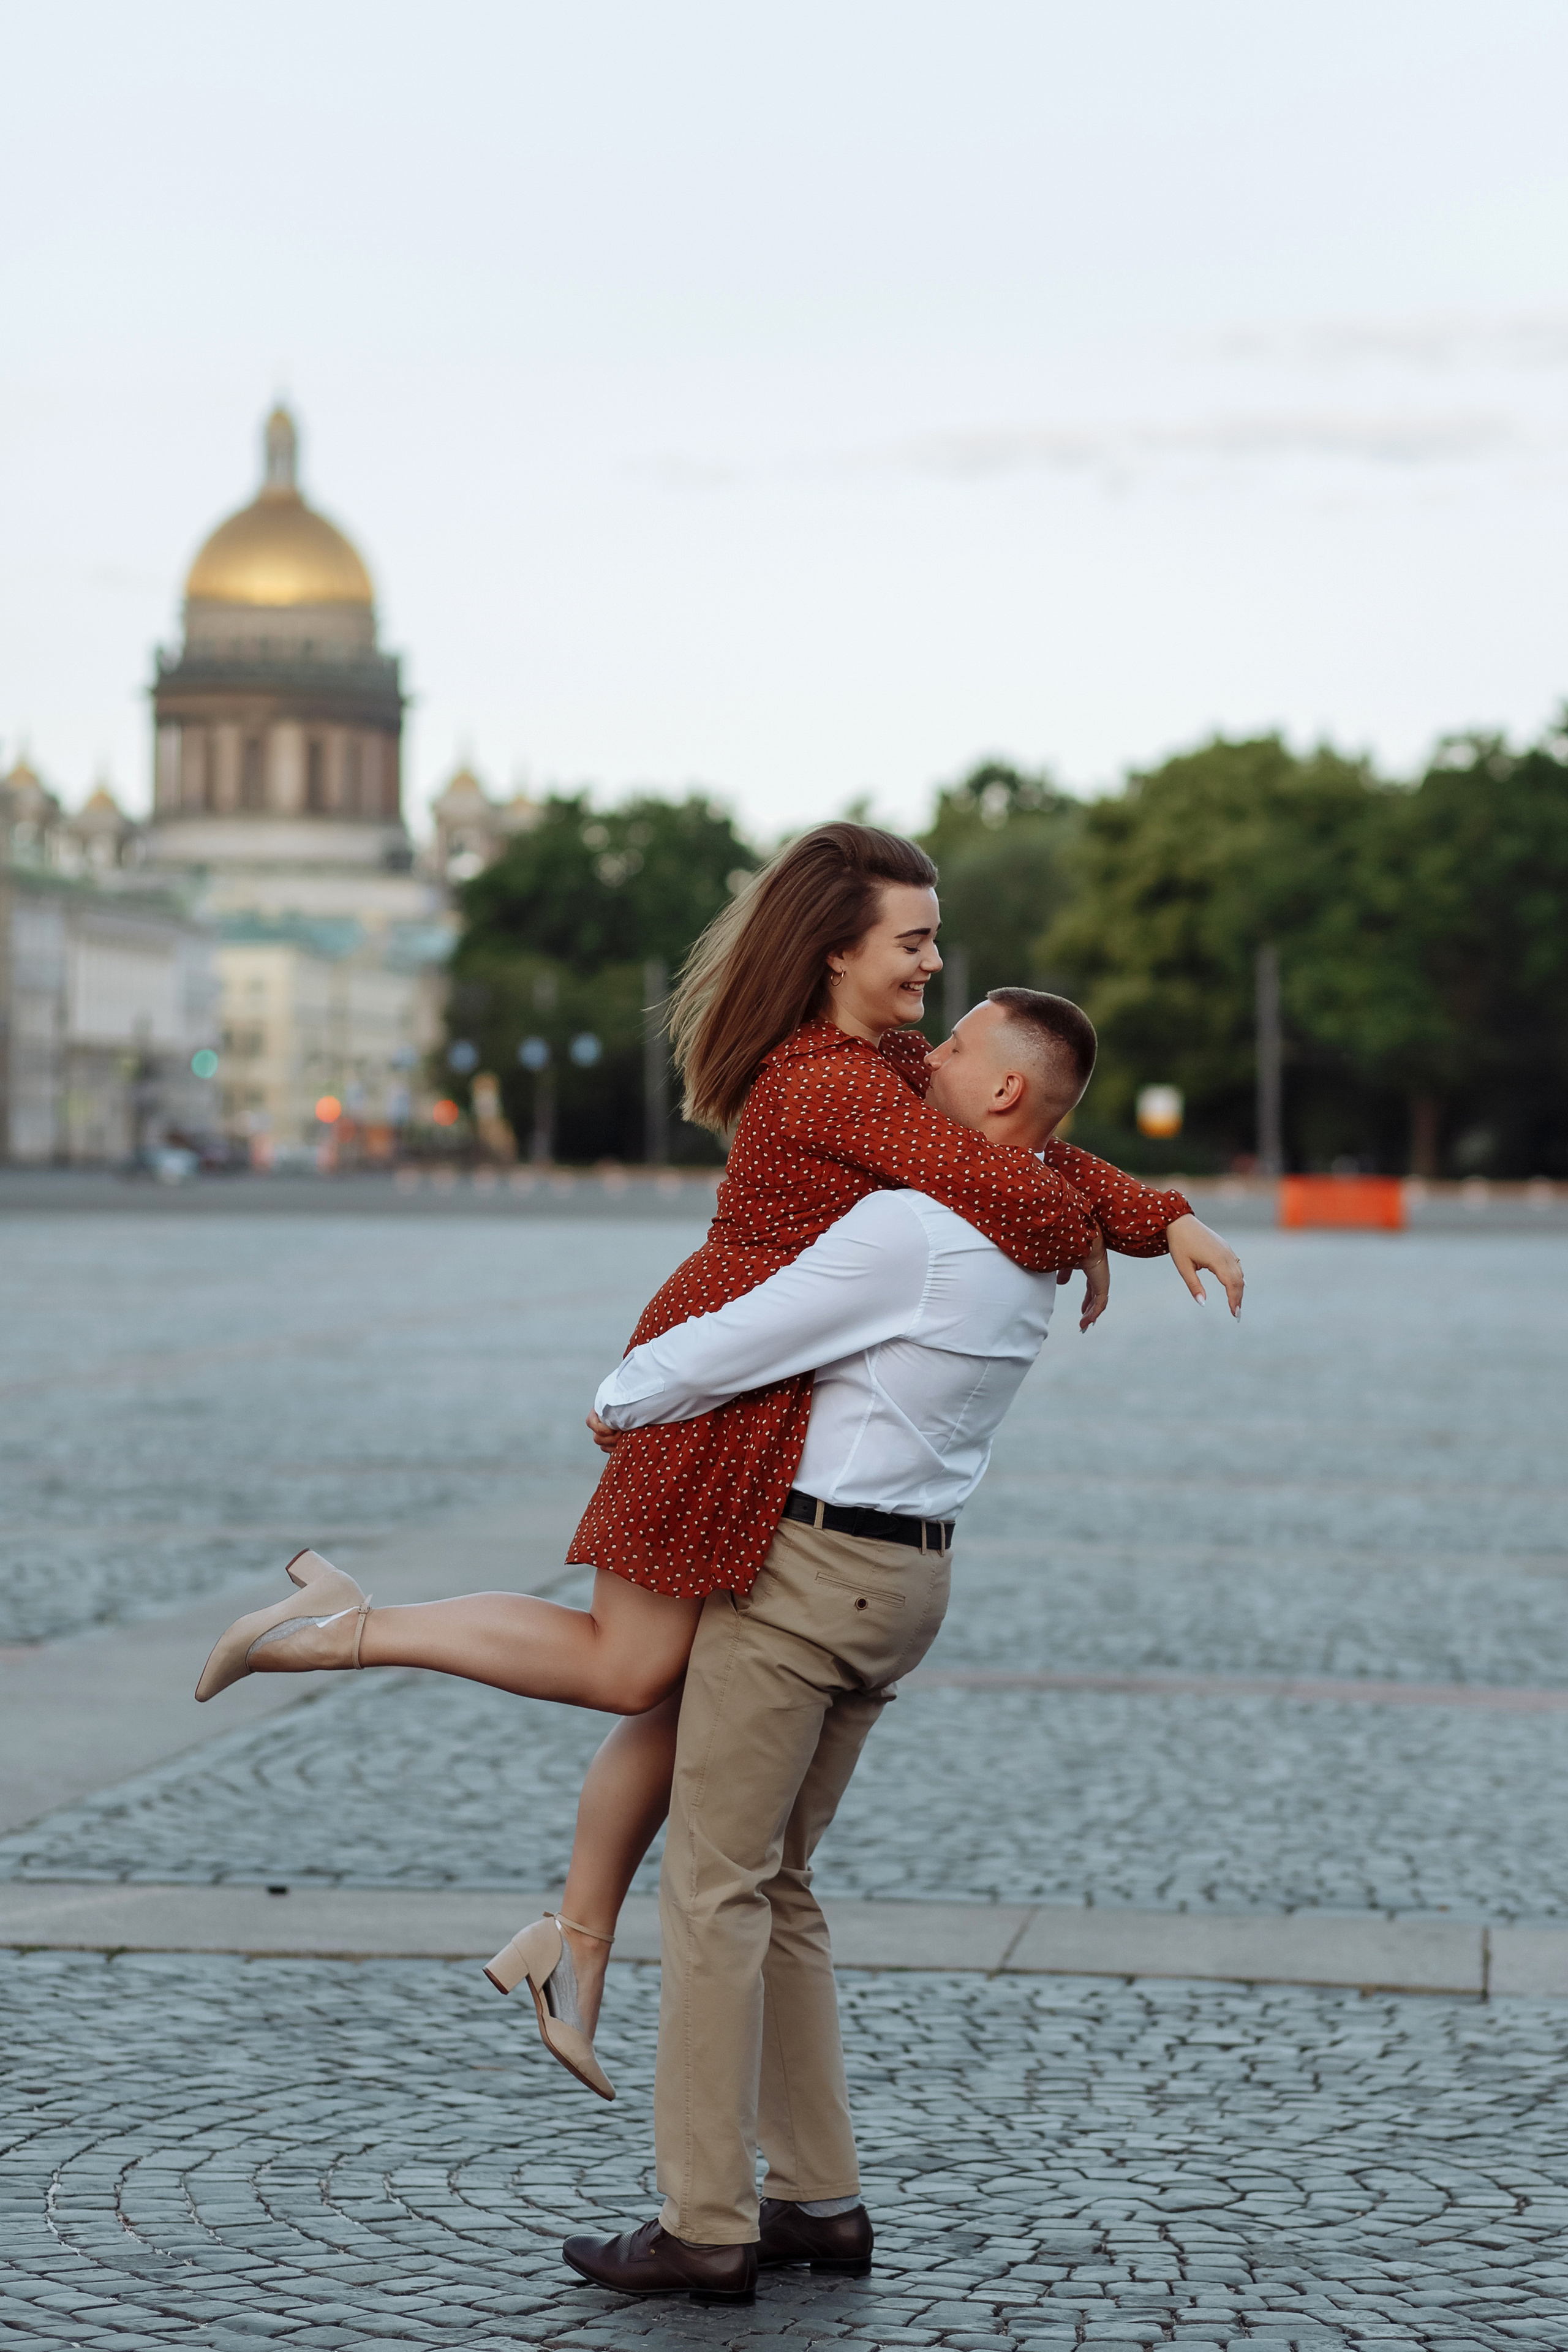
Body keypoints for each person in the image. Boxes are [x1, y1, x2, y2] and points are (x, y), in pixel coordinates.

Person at [194, 822, 1235, 2095]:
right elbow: (1009, 1188)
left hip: (764, 1397)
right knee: (631, 1667)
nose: (932, 963)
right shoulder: (829, 1084)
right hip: (716, 1385)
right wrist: (1104, 1226)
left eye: (932, 938)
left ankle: (569, 1950)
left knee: (685, 1695)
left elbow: (1029, 1154)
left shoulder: (891, 1066)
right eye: (911, 941)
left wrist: (1155, 1214)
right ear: (837, 948)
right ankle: (351, 1626)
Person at [559, 987, 1243, 2305]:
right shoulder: (1029, 1225)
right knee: (784, 1882)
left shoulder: (912, 1227)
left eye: (955, 1040)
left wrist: (615, 1396)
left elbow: (743, 1339)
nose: (924, 1049)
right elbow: (1058, 1183)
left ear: (996, 1093)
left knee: (711, 1890)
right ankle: (818, 2202)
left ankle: (705, 2221)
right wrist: (1148, 1215)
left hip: (807, 1572)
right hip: (905, 1582)